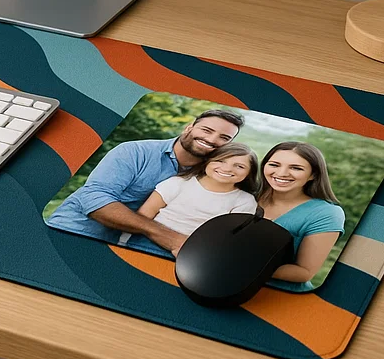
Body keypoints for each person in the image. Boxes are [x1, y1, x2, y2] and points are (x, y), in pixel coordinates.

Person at [46, 109, 245, 252]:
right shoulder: (134, 151)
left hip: (133, 246)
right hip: (75, 230)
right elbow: (94, 199)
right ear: (188, 128)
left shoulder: (213, 174)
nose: (212, 140)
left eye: (224, 138)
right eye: (206, 130)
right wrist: (171, 238)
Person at [117, 144, 260, 252]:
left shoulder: (244, 201)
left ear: (249, 173)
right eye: (221, 161)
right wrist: (123, 242)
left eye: (239, 166)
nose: (227, 169)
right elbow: (143, 216)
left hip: (194, 252)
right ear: (207, 162)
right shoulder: (179, 183)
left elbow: (228, 239)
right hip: (147, 240)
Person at [257, 141, 345, 290]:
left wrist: (242, 263)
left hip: (281, 296)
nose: (282, 173)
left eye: (296, 168)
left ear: (313, 175)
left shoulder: (325, 213)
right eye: (274, 165)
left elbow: (304, 272)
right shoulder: (247, 197)